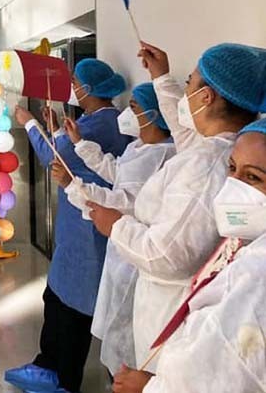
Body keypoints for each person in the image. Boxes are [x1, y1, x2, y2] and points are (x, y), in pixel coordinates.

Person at [87, 43, 265, 372]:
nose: (184, 96)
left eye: (188, 84)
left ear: (206, 96)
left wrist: (115, 225)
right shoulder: (222, 148)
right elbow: (187, 135)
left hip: (172, 316)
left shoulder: (204, 167)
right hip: (173, 308)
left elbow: (167, 255)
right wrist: (161, 78)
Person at [110, 118, 266, 393]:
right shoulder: (243, 244)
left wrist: (150, 388)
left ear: (207, 97)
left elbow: (217, 377)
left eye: (253, 177)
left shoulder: (255, 275)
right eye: (232, 168)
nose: (233, 185)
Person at [7, 58, 133, 393]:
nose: (73, 88)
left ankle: (64, 379)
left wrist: (30, 123)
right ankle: (46, 366)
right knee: (56, 297)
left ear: (89, 88)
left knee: (74, 308)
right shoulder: (93, 120)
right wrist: (55, 128)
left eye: (76, 83)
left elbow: (54, 157)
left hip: (87, 229)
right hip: (74, 227)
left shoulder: (104, 124)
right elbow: (68, 149)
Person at [50, 82, 176, 375]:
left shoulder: (161, 156)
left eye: (133, 107)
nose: (126, 114)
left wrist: (73, 186)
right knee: (116, 326)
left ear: (152, 114)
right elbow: (115, 171)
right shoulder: (138, 146)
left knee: (127, 333)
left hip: (135, 255)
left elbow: (120, 202)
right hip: (120, 249)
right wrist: (79, 143)